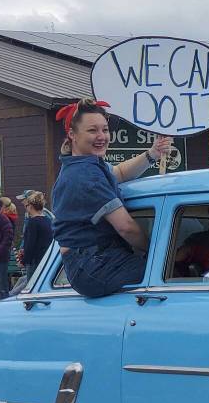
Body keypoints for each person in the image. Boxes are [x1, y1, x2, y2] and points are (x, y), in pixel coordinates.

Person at [52, 98, 173, 298]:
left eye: (105, 130)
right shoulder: (86, 175)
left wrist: (152, 154)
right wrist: (159, 253)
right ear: (72, 134)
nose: (102, 137)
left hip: (90, 263)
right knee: (169, 273)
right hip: (93, 265)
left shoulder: (82, 166)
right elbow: (126, 227)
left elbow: (120, 173)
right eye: (92, 130)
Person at [20, 191, 54, 280]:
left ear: (30, 206)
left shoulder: (32, 222)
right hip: (46, 258)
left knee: (31, 285)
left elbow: (30, 244)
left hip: (34, 260)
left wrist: (24, 261)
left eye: (26, 205)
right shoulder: (48, 220)